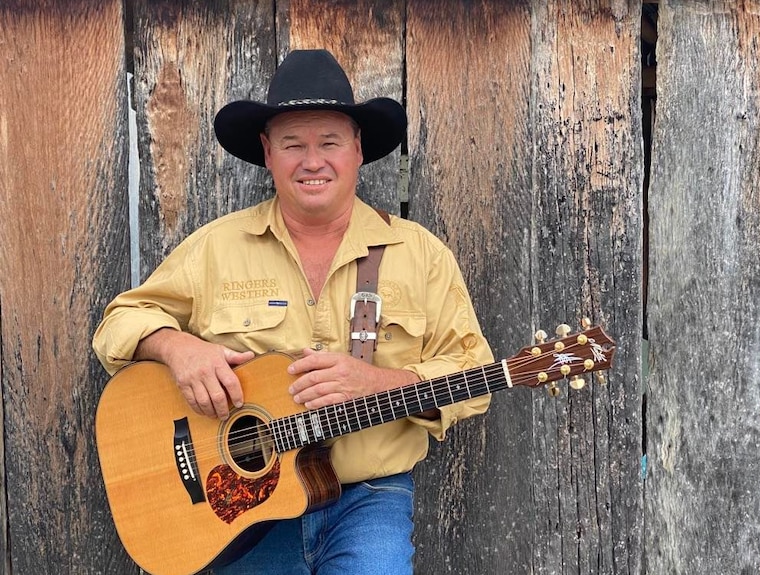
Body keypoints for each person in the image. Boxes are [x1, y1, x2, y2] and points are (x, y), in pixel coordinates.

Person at [92, 49, 493, 574]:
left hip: (369, 496)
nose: (312, 161)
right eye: (292, 144)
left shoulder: (420, 255)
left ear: (357, 149)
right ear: (267, 152)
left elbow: (475, 376)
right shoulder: (216, 248)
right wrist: (177, 348)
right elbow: (118, 324)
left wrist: (379, 383)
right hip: (239, 506)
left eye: (329, 142)